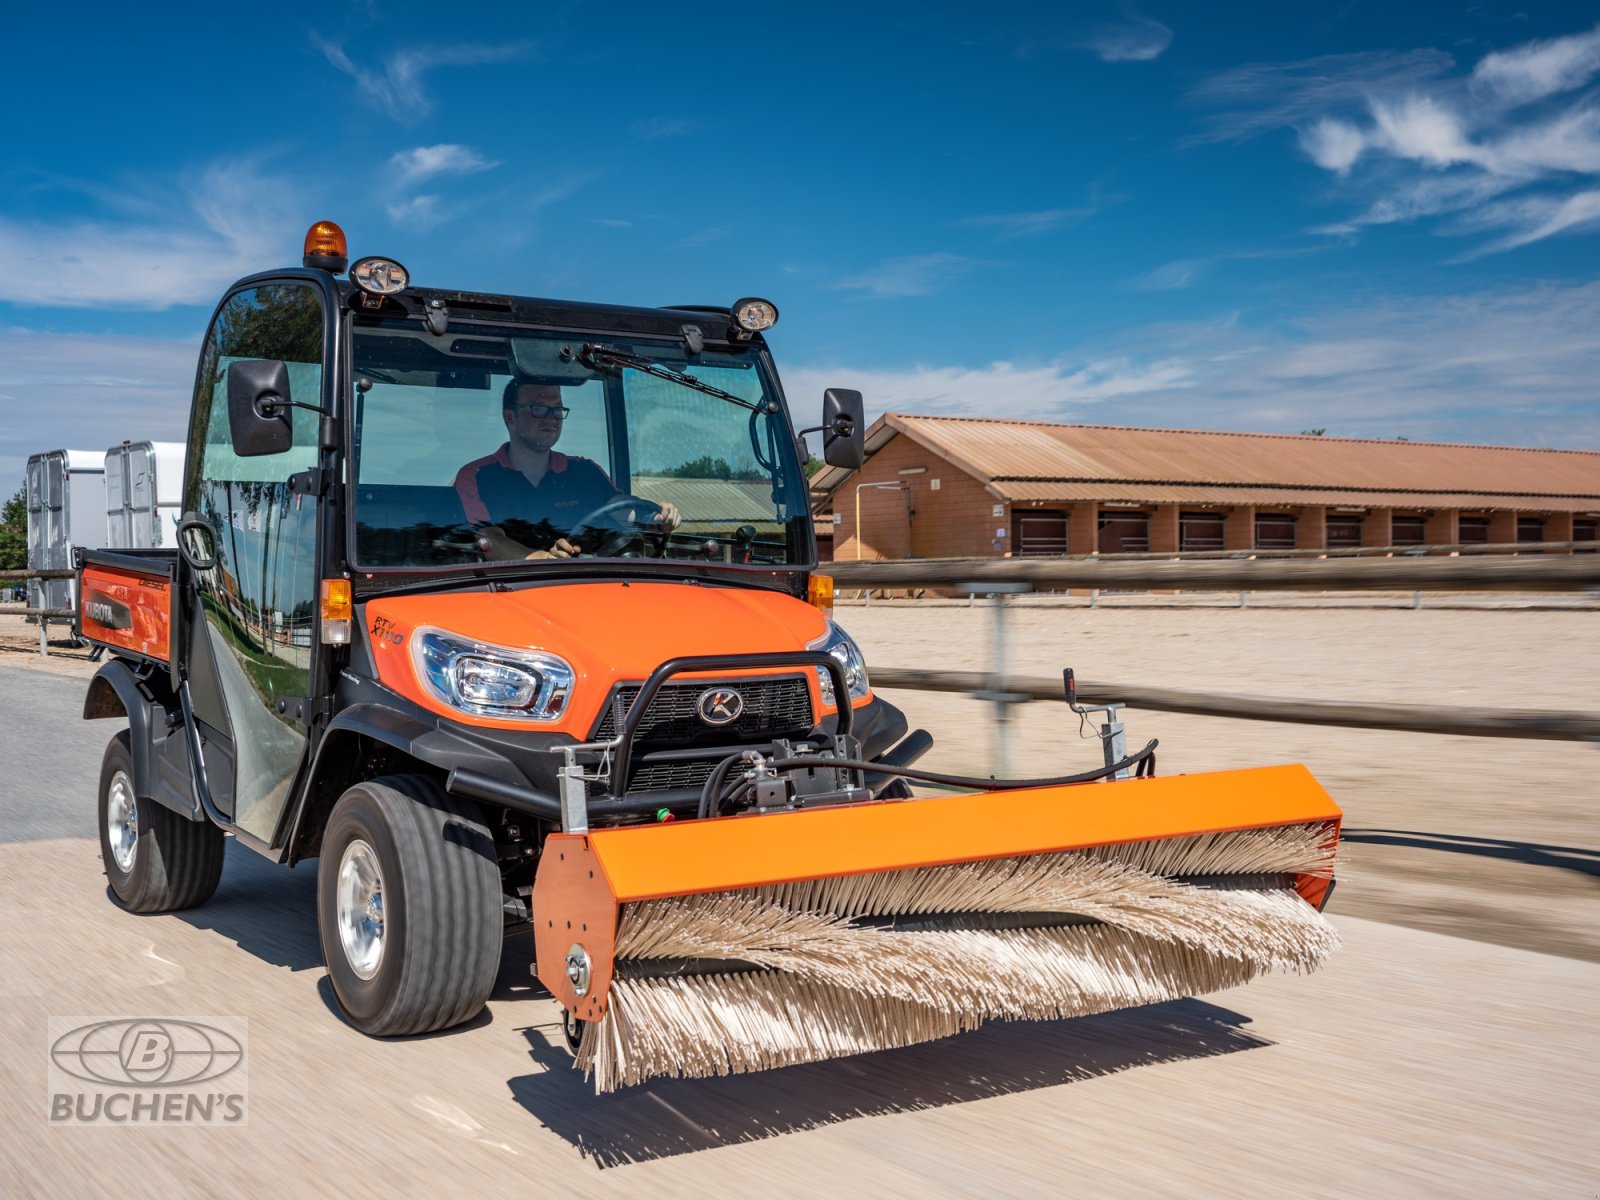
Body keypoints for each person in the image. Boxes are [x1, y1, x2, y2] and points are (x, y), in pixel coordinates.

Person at [454, 379, 678, 560]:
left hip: (590, 586)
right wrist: (539, 560)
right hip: (511, 590)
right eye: (539, 409)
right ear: (509, 417)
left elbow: (622, 509)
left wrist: (657, 517)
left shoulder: (585, 472)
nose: (551, 419)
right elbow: (487, 537)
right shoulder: (477, 476)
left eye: (557, 409)